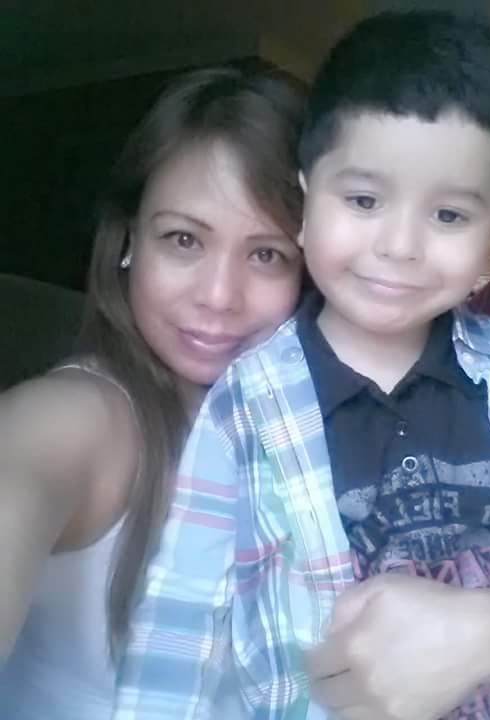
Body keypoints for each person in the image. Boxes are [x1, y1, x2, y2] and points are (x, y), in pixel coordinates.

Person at [114, 9, 490, 720]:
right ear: (308, 201)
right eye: (365, 199)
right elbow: (181, 623)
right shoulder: (246, 403)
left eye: (449, 216)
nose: (399, 246)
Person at [0, 63, 306, 719]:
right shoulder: (77, 419)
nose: (218, 297)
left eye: (267, 254)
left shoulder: (304, 441)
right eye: (183, 239)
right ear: (128, 242)